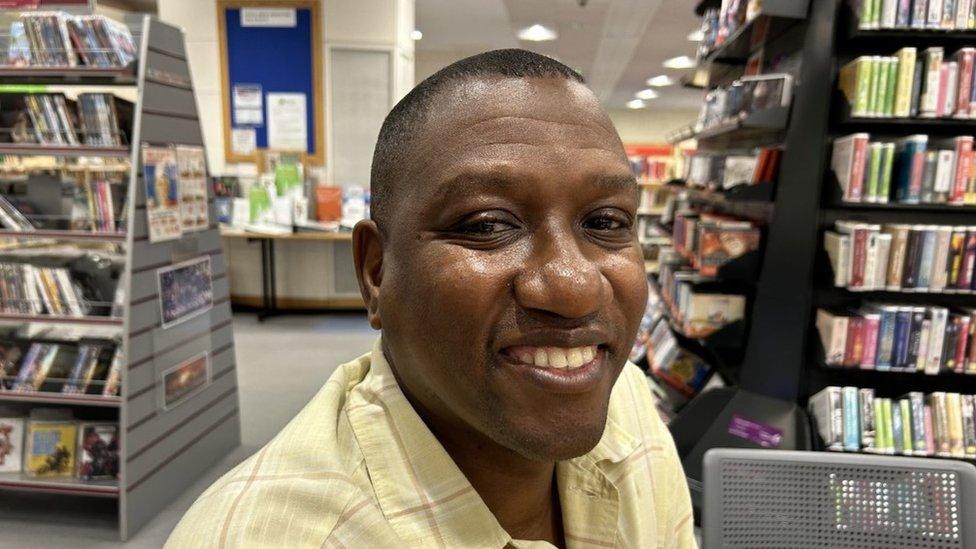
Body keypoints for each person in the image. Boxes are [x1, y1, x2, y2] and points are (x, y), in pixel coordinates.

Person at [166, 48, 695, 548]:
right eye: (487, 225)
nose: (575, 288)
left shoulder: (626, 400)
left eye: (606, 222)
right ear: (376, 272)